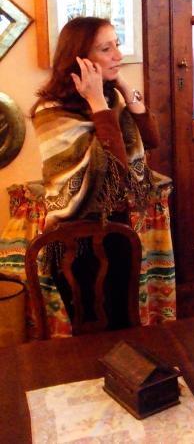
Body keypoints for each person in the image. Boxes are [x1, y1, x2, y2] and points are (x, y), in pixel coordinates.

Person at [31, 16, 174, 328]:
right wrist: (97, 102)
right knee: (90, 333)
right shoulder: (51, 111)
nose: (118, 55)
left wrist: (123, 87)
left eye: (117, 45)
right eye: (106, 49)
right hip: (75, 241)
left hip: (116, 230)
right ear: (80, 59)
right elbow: (115, 171)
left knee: (123, 324)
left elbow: (151, 139)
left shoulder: (111, 101)